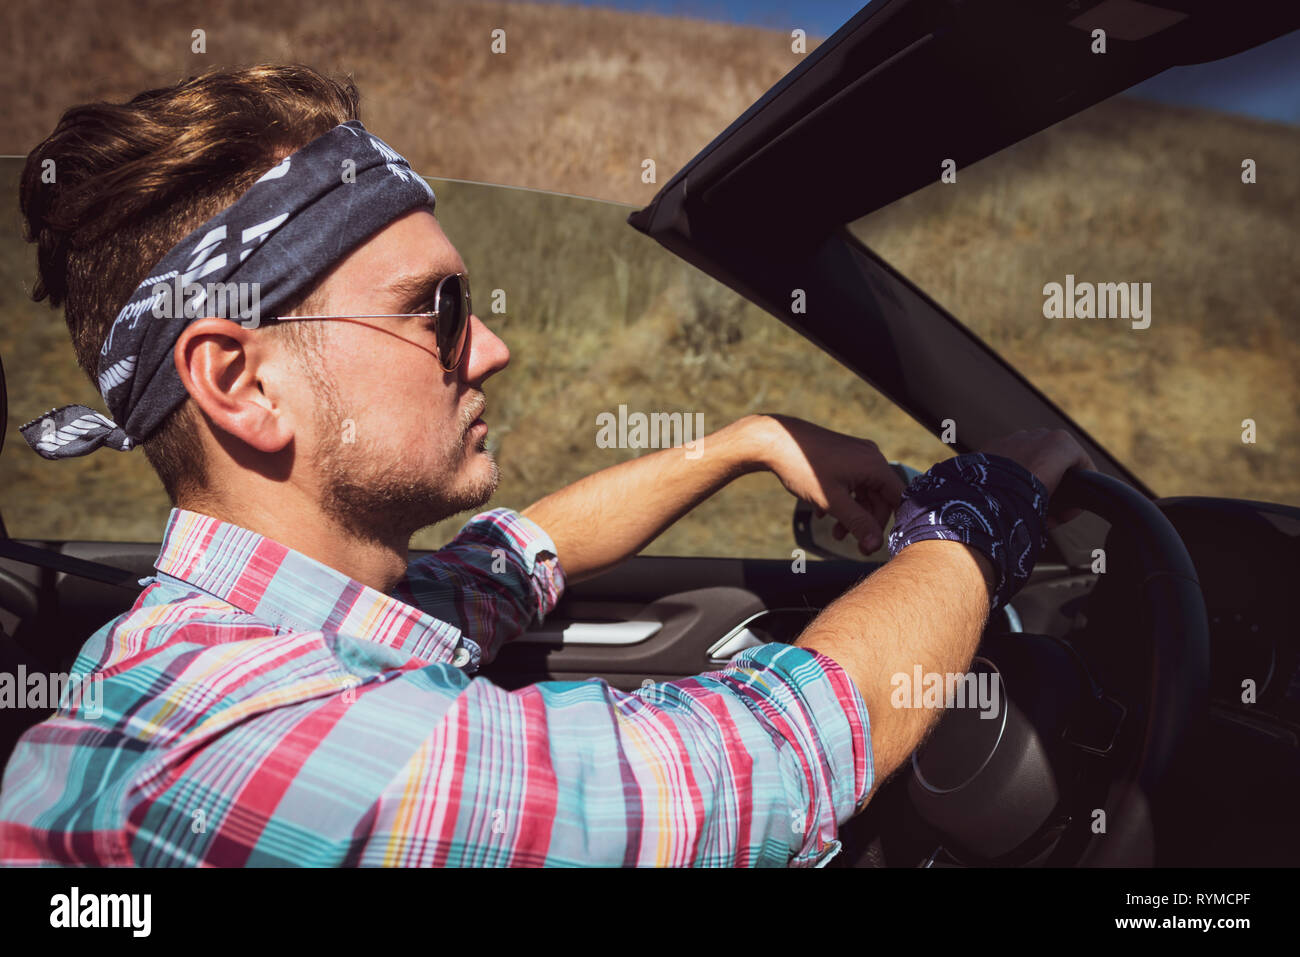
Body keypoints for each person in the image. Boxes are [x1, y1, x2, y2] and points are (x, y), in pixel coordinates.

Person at [0, 64, 1093, 866]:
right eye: (433, 312)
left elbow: (518, 555)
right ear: (241, 383)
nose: (491, 349)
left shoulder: (279, 632)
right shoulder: (262, 747)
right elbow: (761, 762)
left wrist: (745, 442)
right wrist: (980, 508)